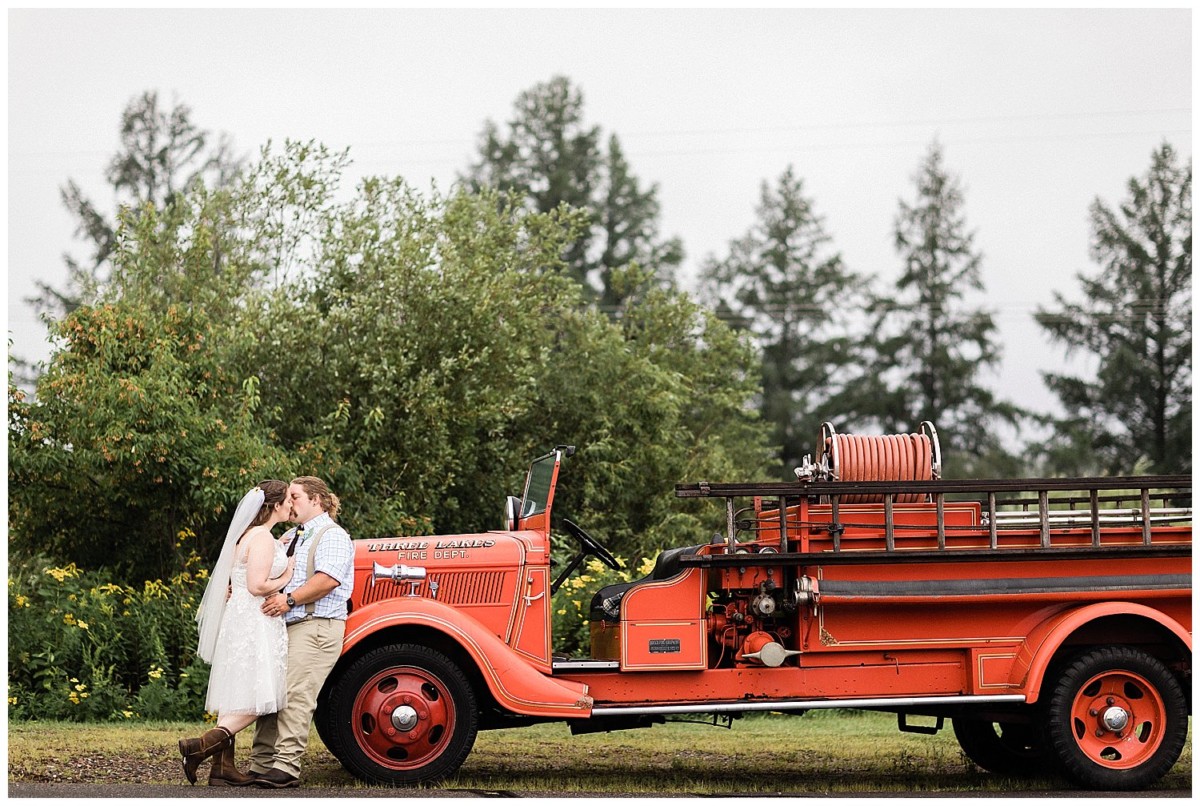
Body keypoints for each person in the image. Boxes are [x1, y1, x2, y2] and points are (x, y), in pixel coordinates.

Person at [178, 480, 297, 786]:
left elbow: (237, 580)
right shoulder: (262, 539)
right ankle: (199, 747)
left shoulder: (246, 536)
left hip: (240, 617)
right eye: (286, 501)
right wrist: (288, 573)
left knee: (237, 691)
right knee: (261, 697)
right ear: (273, 506)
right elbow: (258, 586)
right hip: (256, 619)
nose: (290, 505)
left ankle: (222, 769)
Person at [248, 476, 355, 788]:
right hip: (288, 625)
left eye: (294, 496)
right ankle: (260, 763)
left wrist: (289, 599)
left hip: (317, 626)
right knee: (273, 694)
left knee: (296, 695)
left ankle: (285, 767)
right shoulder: (293, 535)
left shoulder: (331, 535)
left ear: (316, 500)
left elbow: (328, 579)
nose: (288, 501)